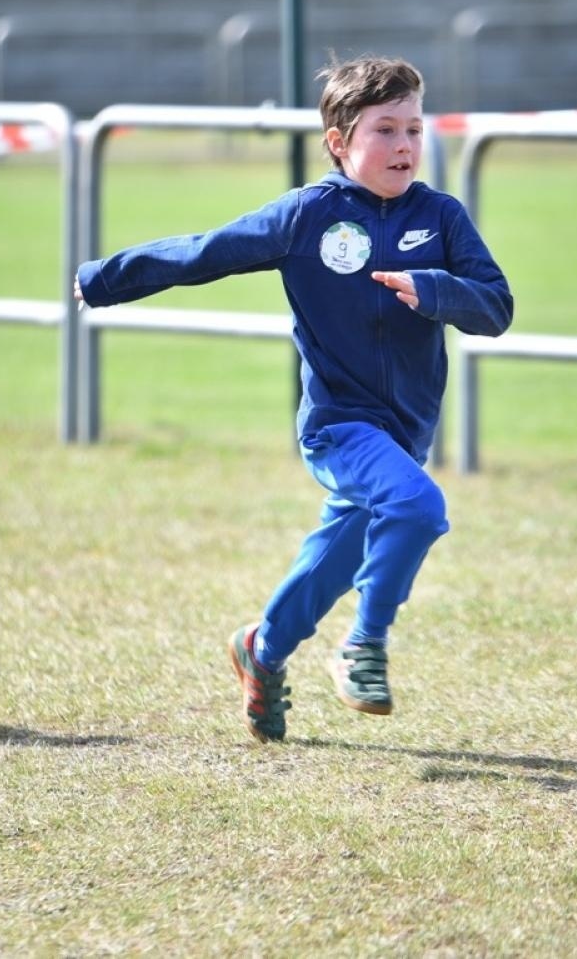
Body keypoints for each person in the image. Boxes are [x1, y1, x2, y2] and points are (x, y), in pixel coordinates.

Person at [74, 56, 513, 742]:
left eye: (413, 129)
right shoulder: (309, 216)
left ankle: (262, 651)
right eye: (384, 130)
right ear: (339, 142)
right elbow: (204, 252)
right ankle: (364, 645)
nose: (403, 146)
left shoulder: (441, 217)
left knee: (333, 562)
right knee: (419, 505)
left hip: (405, 431)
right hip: (339, 425)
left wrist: (434, 290)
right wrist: (105, 279)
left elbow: (496, 308)